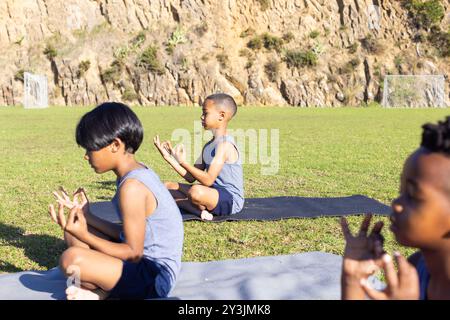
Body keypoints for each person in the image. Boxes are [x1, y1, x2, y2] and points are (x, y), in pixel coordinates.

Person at [49, 102, 184, 300]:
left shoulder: (132, 187)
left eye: (90, 149)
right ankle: (103, 290)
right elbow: (127, 236)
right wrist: (88, 217)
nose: (86, 156)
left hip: (155, 277)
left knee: (72, 259)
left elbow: (133, 253)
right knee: (72, 234)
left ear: (115, 145)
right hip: (141, 263)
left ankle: (102, 293)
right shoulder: (135, 171)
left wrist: (86, 235)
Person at [341, 116, 450, 300]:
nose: (396, 204)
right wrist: (352, 281)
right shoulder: (415, 271)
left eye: (413, 196)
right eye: (401, 191)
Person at [154, 93, 244, 221]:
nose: (201, 117)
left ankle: (196, 209)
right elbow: (190, 177)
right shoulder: (209, 145)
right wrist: (169, 158)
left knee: (195, 192)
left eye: (205, 113)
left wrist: (183, 162)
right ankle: (199, 209)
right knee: (167, 187)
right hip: (211, 192)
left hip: (230, 199)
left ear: (221, 116)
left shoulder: (225, 145)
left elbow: (208, 180)